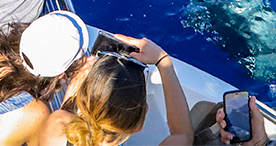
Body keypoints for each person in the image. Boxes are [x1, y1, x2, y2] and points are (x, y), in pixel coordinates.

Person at [21, 12, 193, 146]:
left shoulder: (56, 126)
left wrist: (75, 91)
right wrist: (163, 61)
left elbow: (66, 118)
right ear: (143, 115)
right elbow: (183, 135)